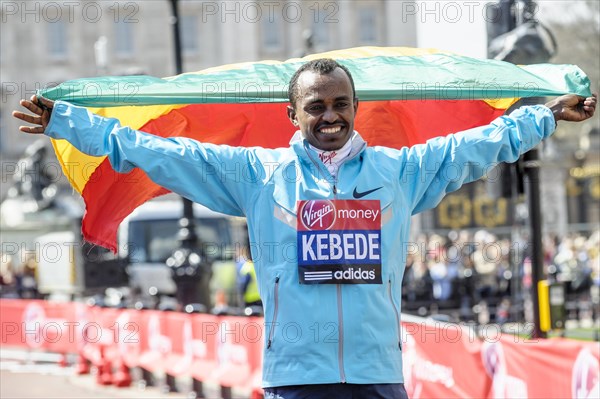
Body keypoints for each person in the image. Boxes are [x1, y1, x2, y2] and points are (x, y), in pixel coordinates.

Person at [13, 59, 596, 399]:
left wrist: (542, 116)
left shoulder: (401, 172)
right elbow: (159, 152)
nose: (330, 115)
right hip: (295, 380)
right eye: (315, 106)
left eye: (340, 103)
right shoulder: (258, 175)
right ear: (294, 115)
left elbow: (480, 144)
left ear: (355, 105)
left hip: (379, 377)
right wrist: (68, 121)